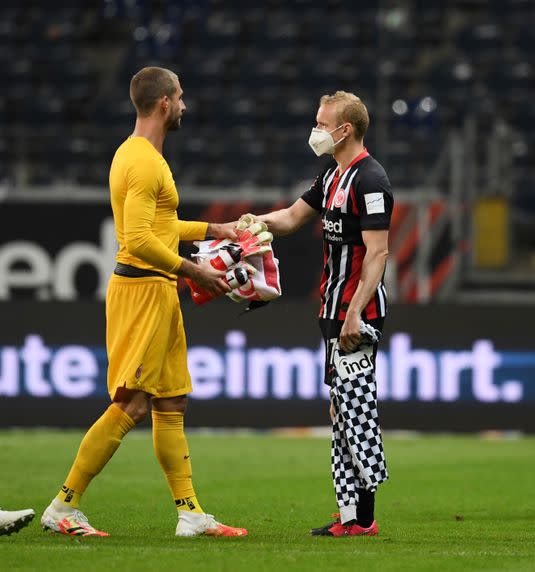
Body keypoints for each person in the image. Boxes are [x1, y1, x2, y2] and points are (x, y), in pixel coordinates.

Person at [41, 67, 249, 537]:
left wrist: (216, 230)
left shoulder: (145, 156)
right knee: (132, 404)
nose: (184, 105)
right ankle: (63, 506)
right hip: (141, 289)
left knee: (172, 402)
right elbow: (136, 239)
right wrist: (194, 270)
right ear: (163, 104)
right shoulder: (141, 161)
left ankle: (190, 514)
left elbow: (160, 227)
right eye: (180, 97)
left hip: (159, 289)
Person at [251, 90, 392, 537]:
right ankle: (349, 513)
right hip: (332, 308)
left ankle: (363, 518)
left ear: (344, 129)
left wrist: (355, 314)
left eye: (320, 122)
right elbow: (293, 217)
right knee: (340, 409)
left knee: (355, 406)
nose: (315, 130)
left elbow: (378, 253)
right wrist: (255, 221)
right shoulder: (332, 173)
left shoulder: (371, 179)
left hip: (356, 311)